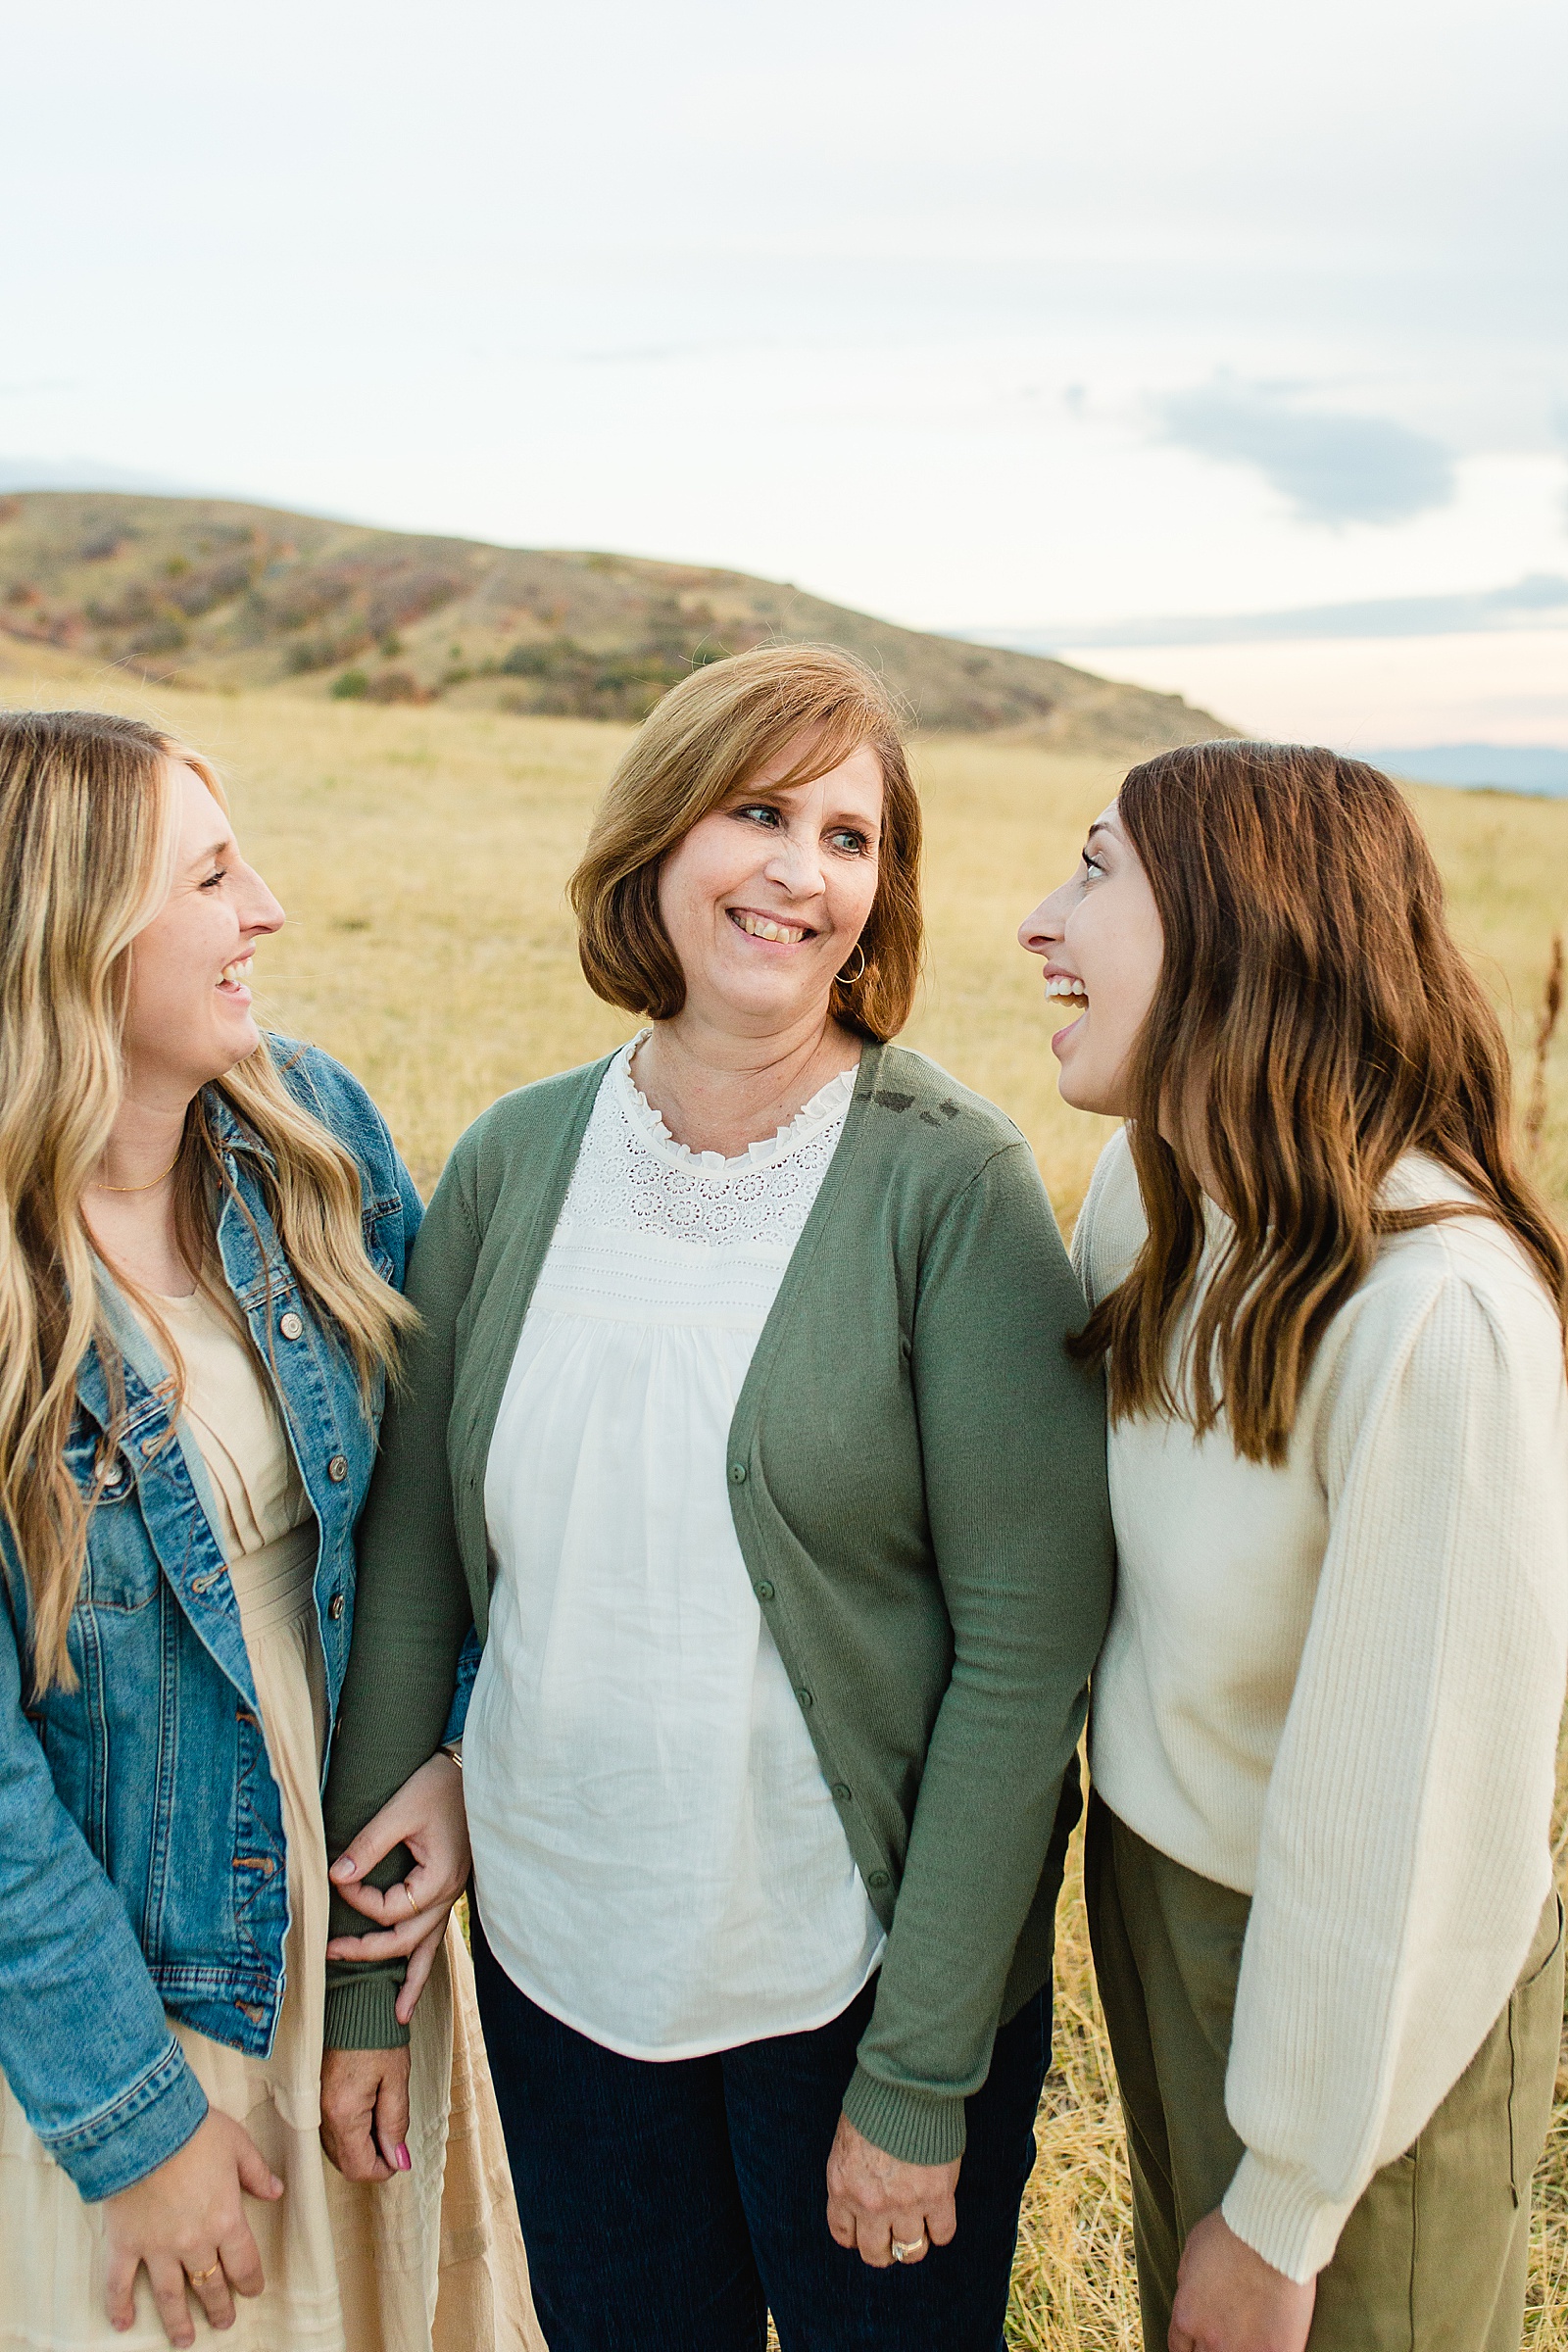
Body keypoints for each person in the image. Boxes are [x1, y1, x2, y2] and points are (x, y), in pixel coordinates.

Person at [318, 642, 1115, 2352]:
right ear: (663, 835)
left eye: (851, 837)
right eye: (762, 813)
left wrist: (918, 2077)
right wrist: (369, 1990)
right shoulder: (515, 1163)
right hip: (561, 1958)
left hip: (844, 1984)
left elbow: (1027, 1650)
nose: (802, 875)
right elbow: (413, 1585)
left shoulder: (948, 1184)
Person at [1019, 739, 1568, 2352]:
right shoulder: (1149, 1190)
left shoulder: (1439, 1319)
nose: (1042, 922)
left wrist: (1288, 2201)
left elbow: (1409, 1820)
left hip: (1370, 1992)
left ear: (1238, 926)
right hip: (1163, 1899)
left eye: (1097, 871)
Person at [0, 711, 537, 2352]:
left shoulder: (305, 1135)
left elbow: (456, 1496)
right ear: (73, 932)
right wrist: (135, 2126)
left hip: (361, 1927)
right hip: (137, 1986)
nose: (270, 914)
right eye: (214, 877)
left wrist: (453, 1759)